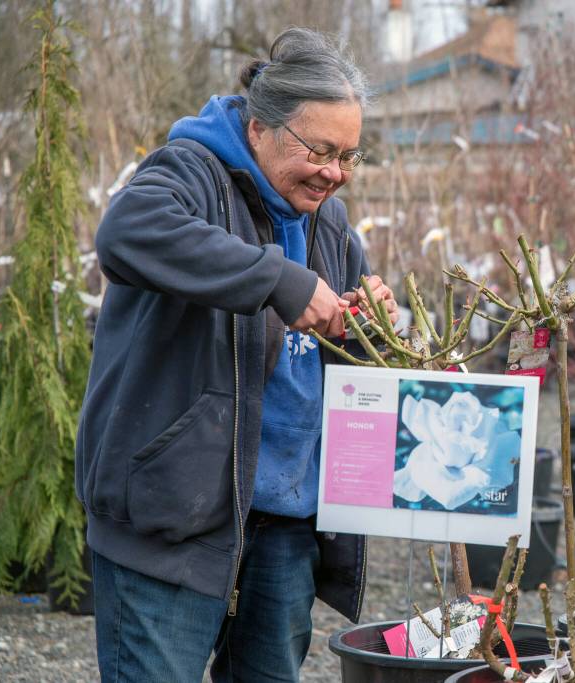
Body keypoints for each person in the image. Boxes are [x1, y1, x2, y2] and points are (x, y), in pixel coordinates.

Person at [75, 28, 397, 681]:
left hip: (286, 525)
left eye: (349, 155)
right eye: (321, 150)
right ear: (260, 129)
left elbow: (335, 359)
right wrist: (279, 279)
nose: (335, 172)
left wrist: (371, 330)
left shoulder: (329, 223)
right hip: (176, 519)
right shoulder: (188, 171)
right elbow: (126, 232)